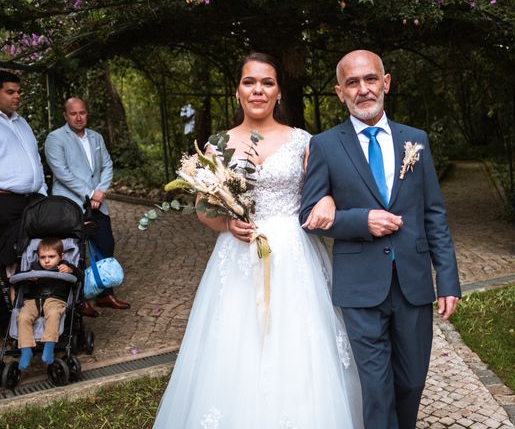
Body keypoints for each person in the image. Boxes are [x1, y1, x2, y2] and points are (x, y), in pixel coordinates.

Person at [153, 53, 363, 428]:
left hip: (295, 254)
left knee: (299, 342)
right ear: (237, 92)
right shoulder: (217, 145)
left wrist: (328, 199)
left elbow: (321, 192)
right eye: (250, 82)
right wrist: (227, 225)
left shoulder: (303, 141)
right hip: (238, 255)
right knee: (236, 343)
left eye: (267, 83)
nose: (258, 90)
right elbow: (204, 208)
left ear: (278, 91)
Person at [300, 49, 461, 429]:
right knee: (376, 386)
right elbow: (309, 216)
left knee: (411, 382)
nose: (363, 90)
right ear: (340, 92)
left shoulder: (415, 140)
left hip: (413, 282)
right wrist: (360, 220)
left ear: (385, 83)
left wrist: (448, 279)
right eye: (352, 83)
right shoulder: (325, 144)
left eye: (370, 79)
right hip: (359, 285)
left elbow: (434, 212)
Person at [44, 98, 130, 316]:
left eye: (82, 112)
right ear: (65, 115)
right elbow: (62, 173)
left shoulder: (96, 137)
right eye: (73, 113)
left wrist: (99, 192)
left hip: (97, 204)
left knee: (106, 245)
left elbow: (108, 165)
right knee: (74, 253)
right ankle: (79, 299)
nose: (79, 117)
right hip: (70, 206)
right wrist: (90, 192)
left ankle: (104, 293)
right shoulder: (55, 139)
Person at [0, 71, 47, 268]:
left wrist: (42, 191)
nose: (17, 96)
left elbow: (35, 160)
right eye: (10, 92)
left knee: (38, 251)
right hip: (6, 203)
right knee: (7, 256)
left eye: (19, 92)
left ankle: (33, 297)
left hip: (34, 200)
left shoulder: (23, 123)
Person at [17, 237, 81, 369]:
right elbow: (19, 277)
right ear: (38, 257)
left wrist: (71, 271)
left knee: (53, 314)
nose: (46, 261)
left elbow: (80, 276)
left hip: (55, 299)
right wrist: (29, 276)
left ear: (61, 256)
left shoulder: (65, 266)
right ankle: (26, 350)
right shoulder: (34, 267)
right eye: (42, 257)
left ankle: (49, 346)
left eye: (51, 257)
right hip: (33, 300)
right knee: (22, 317)